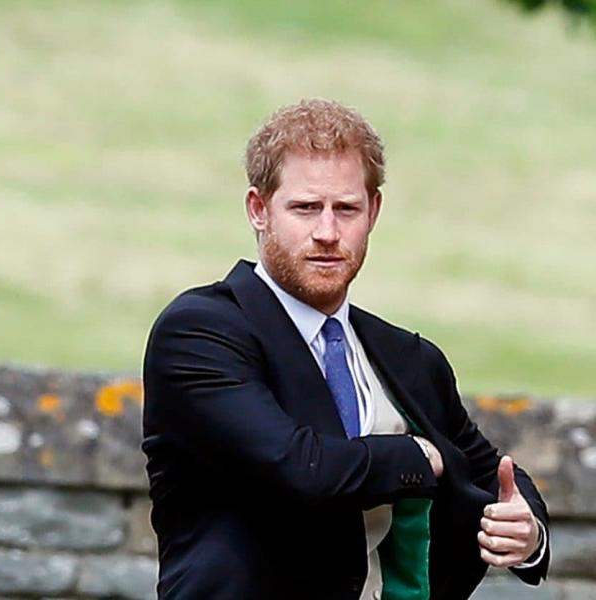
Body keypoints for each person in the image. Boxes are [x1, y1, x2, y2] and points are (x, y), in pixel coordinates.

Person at [142, 98, 549, 599]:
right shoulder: (201, 333)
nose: (327, 233)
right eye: (306, 207)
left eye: (346, 209)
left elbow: (492, 473)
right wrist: (422, 457)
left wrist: (527, 531)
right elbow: (297, 469)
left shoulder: (408, 358)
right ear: (258, 209)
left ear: (373, 211)